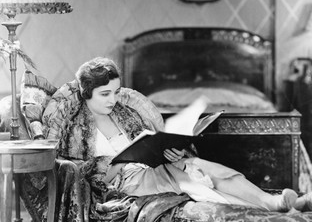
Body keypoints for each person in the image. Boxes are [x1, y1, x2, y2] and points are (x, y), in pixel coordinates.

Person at [41, 57, 312, 220]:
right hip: (123, 185)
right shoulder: (74, 128)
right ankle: (275, 208)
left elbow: (148, 142)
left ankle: (273, 203)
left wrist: (171, 152)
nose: (113, 99)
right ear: (87, 92)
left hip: (149, 170)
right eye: (105, 94)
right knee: (191, 178)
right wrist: (113, 167)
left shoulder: (125, 113)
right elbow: (71, 170)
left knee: (195, 166)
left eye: (116, 91)